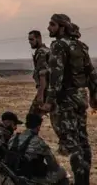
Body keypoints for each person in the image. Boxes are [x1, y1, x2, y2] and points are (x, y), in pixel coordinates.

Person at [39, 14, 96, 184]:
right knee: (82, 140)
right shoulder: (80, 45)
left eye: (52, 24)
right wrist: (94, 95)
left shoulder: (58, 46)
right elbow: (91, 72)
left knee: (71, 143)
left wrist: (49, 101)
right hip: (80, 97)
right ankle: (84, 180)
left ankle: (80, 180)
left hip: (65, 100)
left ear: (62, 27)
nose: (49, 28)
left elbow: (56, 76)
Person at [6, 113, 69, 184]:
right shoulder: (38, 141)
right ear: (38, 127)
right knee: (62, 172)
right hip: (30, 178)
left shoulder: (13, 138)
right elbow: (53, 165)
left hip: (12, 175)